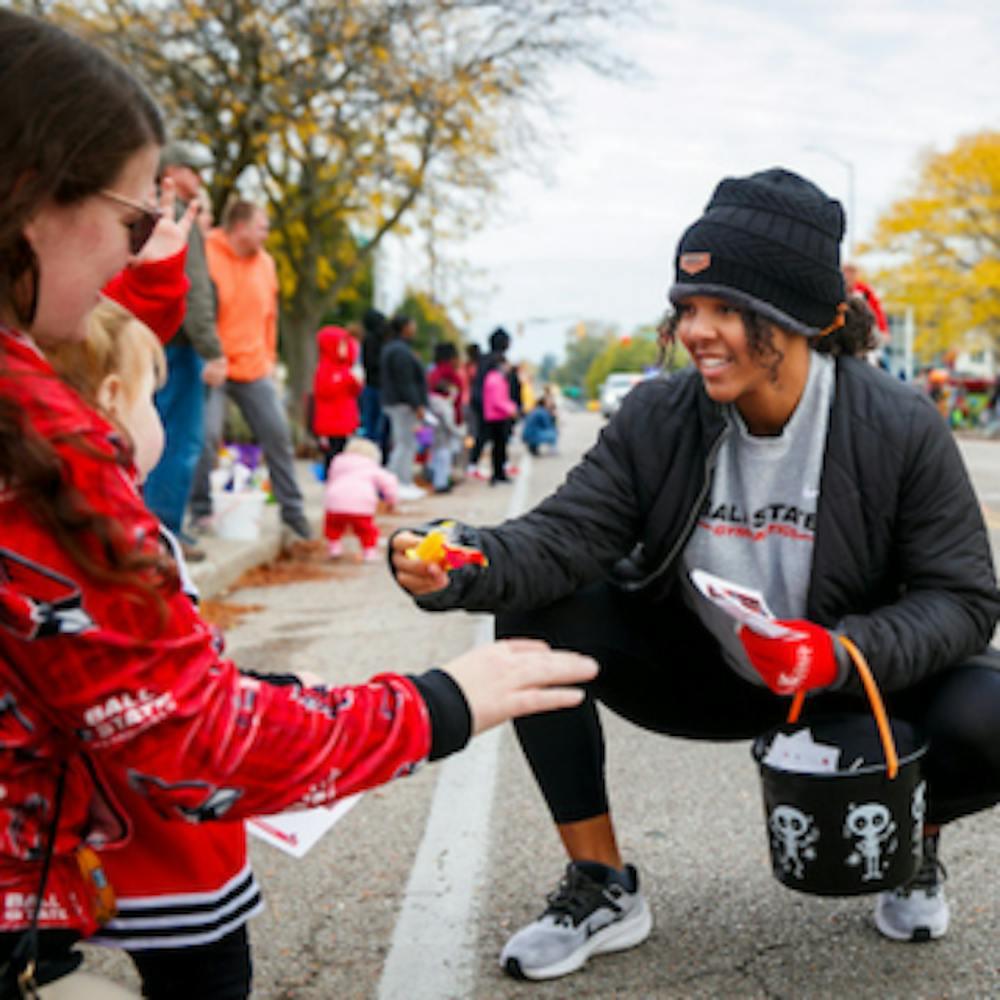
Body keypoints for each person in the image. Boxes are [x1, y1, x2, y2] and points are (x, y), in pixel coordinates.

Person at [0, 12, 599, 998]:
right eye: (136, 222)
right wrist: (444, 702)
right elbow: (192, 742)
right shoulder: (39, 439)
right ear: (30, 193)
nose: (147, 256)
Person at [391, 167, 1000, 981]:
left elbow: (961, 599)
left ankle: (910, 842)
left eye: (725, 309)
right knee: (538, 616)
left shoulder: (899, 427)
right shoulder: (658, 415)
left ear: (794, 319)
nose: (697, 330)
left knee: (991, 707)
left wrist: (837, 652)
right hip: (705, 671)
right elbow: (568, 535)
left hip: (846, 685)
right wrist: (466, 558)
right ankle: (602, 884)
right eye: (687, 307)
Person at [44, 298, 269, 992]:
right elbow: (181, 691)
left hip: (74, 838)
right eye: (152, 398)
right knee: (211, 979)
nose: (161, 421)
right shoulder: (135, 541)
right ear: (113, 402)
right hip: (172, 839)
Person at [188, 199, 312, 540]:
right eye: (262, 227)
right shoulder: (206, 252)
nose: (267, 234)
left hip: (255, 365)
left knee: (278, 434)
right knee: (206, 436)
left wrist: (270, 358)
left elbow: (270, 316)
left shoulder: (266, 264)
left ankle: (293, 512)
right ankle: (200, 511)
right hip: (215, 364)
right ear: (239, 227)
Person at [142, 141, 227, 562]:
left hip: (151, 343)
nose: (201, 181)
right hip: (178, 346)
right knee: (180, 442)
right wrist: (212, 350)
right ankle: (165, 534)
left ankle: (151, 530)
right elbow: (192, 290)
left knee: (153, 434)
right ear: (174, 171)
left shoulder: (145, 208)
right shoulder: (181, 218)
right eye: (195, 172)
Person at [323, 437, 399, 561]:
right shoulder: (371, 465)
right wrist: (391, 500)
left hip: (335, 501)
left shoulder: (337, 461)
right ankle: (369, 552)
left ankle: (334, 548)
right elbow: (389, 482)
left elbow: (331, 479)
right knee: (366, 529)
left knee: (333, 526)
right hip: (361, 504)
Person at [380, 313, 429, 500]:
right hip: (403, 404)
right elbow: (405, 381)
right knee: (405, 444)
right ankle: (398, 482)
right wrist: (417, 404)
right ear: (405, 327)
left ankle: (400, 481)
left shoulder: (393, 348)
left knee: (403, 443)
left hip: (397, 402)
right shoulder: (400, 351)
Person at [310, 323, 362, 472]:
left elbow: (353, 391)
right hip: (331, 420)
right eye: (341, 345)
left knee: (343, 451)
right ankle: (330, 478)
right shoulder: (325, 368)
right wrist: (346, 380)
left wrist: (355, 382)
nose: (344, 349)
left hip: (345, 417)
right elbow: (325, 390)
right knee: (332, 453)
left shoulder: (345, 367)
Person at [358, 307, 390, 457]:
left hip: (371, 386)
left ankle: (370, 455)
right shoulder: (382, 341)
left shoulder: (368, 340)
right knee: (379, 426)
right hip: (380, 387)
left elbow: (367, 364)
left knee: (371, 425)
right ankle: (379, 455)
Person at [482, 357, 519, 485]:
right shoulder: (495, 380)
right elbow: (498, 401)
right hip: (496, 417)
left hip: (497, 416)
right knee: (498, 447)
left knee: (499, 447)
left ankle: (499, 473)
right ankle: (498, 474)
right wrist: (511, 409)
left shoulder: (495, 378)